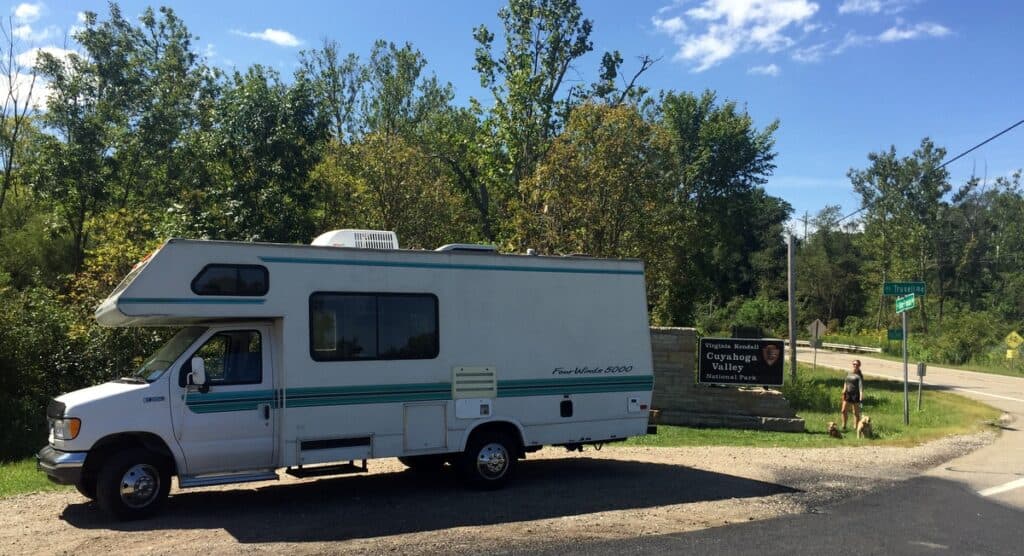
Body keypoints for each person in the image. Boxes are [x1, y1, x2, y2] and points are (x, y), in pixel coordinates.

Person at [841, 360, 864, 431]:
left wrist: (861, 397)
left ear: (859, 366)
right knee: (843, 410)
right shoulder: (849, 373)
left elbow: (861, 387)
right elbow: (846, 382)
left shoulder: (859, 376)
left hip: (855, 395)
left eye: (857, 365)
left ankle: (856, 427)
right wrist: (844, 390)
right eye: (854, 364)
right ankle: (844, 426)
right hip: (847, 394)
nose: (855, 366)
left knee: (855, 412)